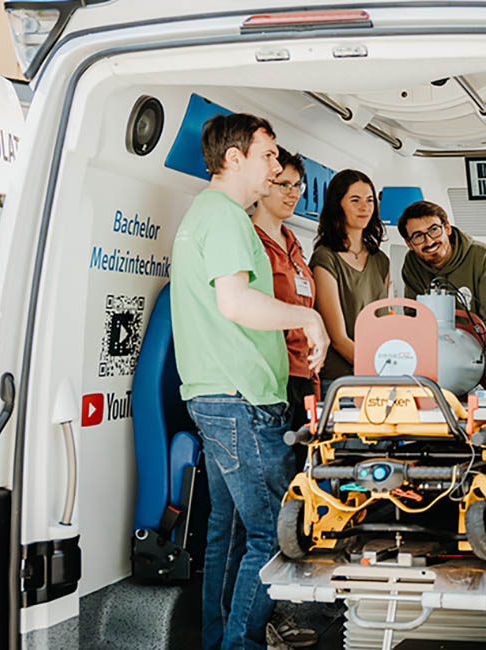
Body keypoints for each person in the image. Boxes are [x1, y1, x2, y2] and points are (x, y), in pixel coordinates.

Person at [170, 112, 329, 650]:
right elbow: (235, 302)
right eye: (268, 155)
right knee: (273, 535)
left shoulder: (206, 213)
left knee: (230, 532)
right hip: (241, 396)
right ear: (234, 158)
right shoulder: (226, 217)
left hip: (216, 395)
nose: (276, 167)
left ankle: (221, 639)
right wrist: (308, 317)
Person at [251, 146, 319, 435]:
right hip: (274, 375)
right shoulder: (251, 240)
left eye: (297, 186)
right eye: (284, 185)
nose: (293, 194)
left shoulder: (294, 244)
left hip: (305, 374)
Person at [311, 169, 390, 386]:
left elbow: (380, 323)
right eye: (355, 200)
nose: (365, 207)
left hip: (375, 375)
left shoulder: (381, 261)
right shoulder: (325, 258)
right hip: (339, 380)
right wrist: (378, 370)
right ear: (338, 205)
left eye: (369, 200)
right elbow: (338, 338)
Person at [398, 200, 486, 337]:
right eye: (418, 236)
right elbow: (413, 316)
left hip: (480, 344)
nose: (429, 241)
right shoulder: (412, 263)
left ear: (447, 228)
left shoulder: (484, 258)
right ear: (409, 243)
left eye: (434, 230)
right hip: (434, 344)